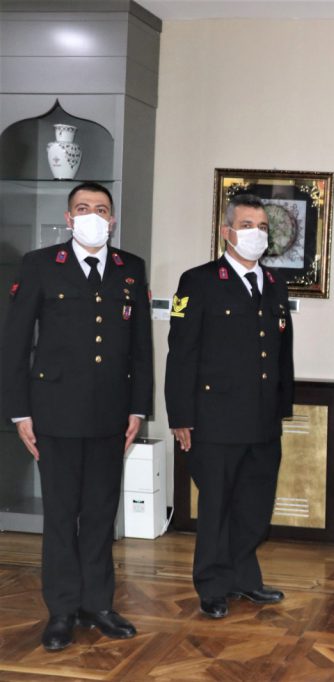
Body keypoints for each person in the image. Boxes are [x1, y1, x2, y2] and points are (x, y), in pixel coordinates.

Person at [1, 182, 153, 651]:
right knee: (62, 515)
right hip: (55, 412)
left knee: (101, 513)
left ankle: (98, 605)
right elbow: (15, 343)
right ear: (68, 219)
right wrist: (19, 412)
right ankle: (63, 610)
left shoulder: (130, 268)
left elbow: (141, 347)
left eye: (101, 209)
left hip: (111, 414)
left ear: (112, 219)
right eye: (82, 208)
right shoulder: (41, 264)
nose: (92, 215)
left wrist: (138, 407)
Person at [165, 194, 294, 619]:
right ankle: (213, 584)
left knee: (254, 507)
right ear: (226, 232)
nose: (256, 233)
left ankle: (245, 578)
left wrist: (282, 406)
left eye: (262, 227)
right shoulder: (199, 281)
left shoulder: (274, 283)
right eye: (246, 225)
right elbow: (181, 353)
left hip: (263, 419)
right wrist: (181, 416)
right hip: (215, 419)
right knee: (217, 507)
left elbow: (282, 352)